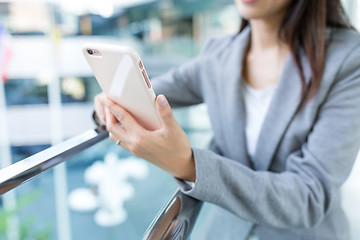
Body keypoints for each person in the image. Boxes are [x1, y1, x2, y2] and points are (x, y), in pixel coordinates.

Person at [94, 0, 360, 239]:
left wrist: (189, 165)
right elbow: (151, 91)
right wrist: (107, 107)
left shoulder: (347, 58)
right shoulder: (218, 55)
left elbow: (310, 196)